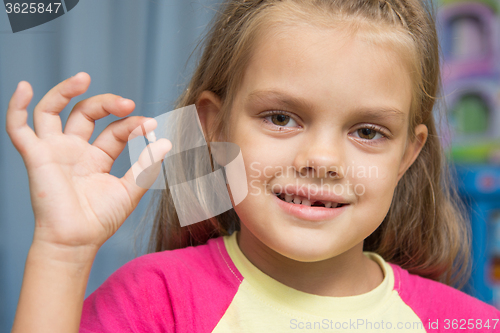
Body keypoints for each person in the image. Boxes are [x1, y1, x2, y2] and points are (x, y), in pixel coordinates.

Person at [6, 0, 500, 332]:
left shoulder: (469, 323)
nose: (322, 160)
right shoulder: (157, 301)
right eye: (281, 118)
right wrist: (62, 252)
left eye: (367, 131)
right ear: (213, 126)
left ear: (408, 154)